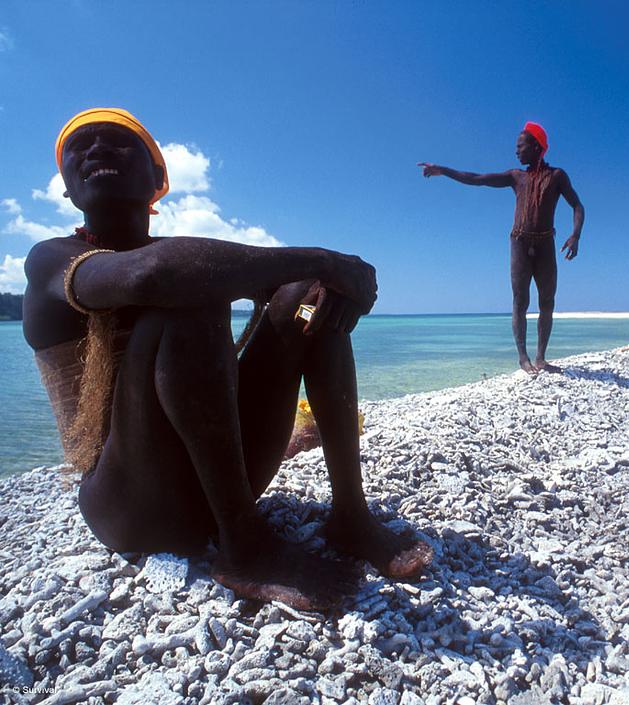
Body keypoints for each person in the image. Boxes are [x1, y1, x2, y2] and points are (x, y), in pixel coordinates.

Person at [23, 108, 432, 610]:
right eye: (79, 147)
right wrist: (328, 259)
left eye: (116, 141)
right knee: (189, 292)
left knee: (309, 299)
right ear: (66, 186)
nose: (97, 150)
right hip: (129, 503)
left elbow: (279, 287)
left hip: (223, 481)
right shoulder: (50, 258)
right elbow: (153, 277)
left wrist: (326, 281)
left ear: (157, 180)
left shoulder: (181, 256)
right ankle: (244, 545)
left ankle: (349, 513)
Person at [419, 122, 584, 375]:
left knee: (547, 302)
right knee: (520, 301)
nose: (516, 151)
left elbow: (577, 206)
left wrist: (575, 235)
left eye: (521, 146)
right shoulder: (515, 177)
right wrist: (443, 170)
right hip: (519, 242)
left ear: (536, 147)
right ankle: (523, 358)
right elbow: (476, 179)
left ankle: (541, 358)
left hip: (545, 244)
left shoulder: (557, 176)